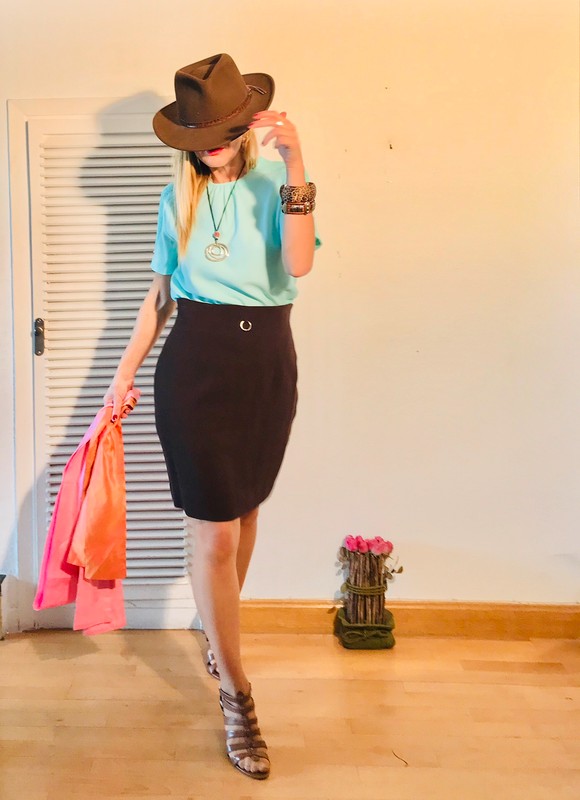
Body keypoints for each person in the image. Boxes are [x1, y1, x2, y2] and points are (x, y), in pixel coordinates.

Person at [104, 53, 320, 780]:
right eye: (199, 135)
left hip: (266, 369)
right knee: (216, 532)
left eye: (223, 131)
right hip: (195, 369)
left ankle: (214, 633)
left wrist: (297, 165)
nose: (212, 145)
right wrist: (122, 375)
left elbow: (299, 266)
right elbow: (158, 298)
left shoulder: (274, 185)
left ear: (246, 124)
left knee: (245, 512)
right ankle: (237, 696)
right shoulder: (177, 199)